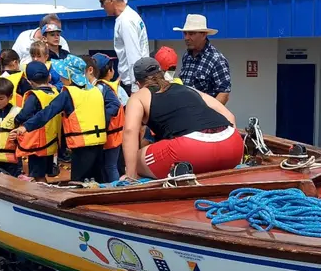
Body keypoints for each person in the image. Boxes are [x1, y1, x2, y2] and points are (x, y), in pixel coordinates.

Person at [120, 58, 243, 181]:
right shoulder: (188, 89)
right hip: (232, 144)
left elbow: (130, 131)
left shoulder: (138, 96)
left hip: (190, 150)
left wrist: (131, 175)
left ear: (138, 84)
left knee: (136, 160)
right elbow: (229, 116)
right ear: (162, 74)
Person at [21, 55, 118, 182]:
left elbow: (47, 112)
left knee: (79, 182)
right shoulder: (95, 91)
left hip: (81, 146)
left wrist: (26, 126)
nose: (61, 78)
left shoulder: (68, 94)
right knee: (97, 180)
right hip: (98, 143)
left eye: (63, 75)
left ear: (69, 75)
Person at [9, 62, 62, 183]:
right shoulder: (56, 93)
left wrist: (16, 120)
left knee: (38, 175)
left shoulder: (34, 96)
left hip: (37, 145)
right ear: (49, 77)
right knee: (43, 172)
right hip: (51, 142)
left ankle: (44, 197)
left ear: (29, 81)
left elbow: (25, 114)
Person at [99, 0, 150, 96]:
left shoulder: (125, 21)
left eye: (102, 2)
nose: (102, 6)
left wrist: (135, 90)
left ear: (111, 0)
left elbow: (134, 56)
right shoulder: (131, 16)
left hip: (132, 85)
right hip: (133, 80)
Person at [83, 54, 126, 182]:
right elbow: (123, 104)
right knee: (111, 165)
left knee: (105, 165)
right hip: (113, 134)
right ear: (109, 71)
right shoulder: (113, 88)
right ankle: (116, 189)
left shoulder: (94, 88)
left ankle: (110, 187)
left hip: (103, 133)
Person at [174, 14, 232, 105]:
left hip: (203, 116)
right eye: (185, 33)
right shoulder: (187, 56)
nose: (186, 38)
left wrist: (207, 114)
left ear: (204, 35)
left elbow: (224, 94)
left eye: (191, 34)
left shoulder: (216, 59)